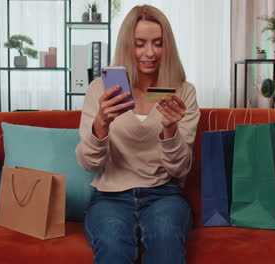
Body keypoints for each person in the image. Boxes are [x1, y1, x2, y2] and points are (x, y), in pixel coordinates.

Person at [76, 5, 200, 264]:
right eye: (139, 44)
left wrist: (169, 130)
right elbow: (89, 164)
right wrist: (101, 124)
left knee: (166, 238)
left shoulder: (182, 91)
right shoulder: (101, 89)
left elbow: (181, 169)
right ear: (126, 46)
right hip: (110, 195)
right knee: (112, 245)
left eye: (158, 43)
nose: (150, 53)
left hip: (164, 193)